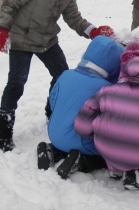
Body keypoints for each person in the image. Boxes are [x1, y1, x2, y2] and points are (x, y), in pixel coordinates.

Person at [0, 0, 114, 152]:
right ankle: (3, 135)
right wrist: (3, 29)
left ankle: (53, 113)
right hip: (22, 38)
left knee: (62, 76)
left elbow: (73, 17)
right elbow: (10, 2)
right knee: (16, 82)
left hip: (48, 40)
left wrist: (92, 31)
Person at [74, 42, 139, 190]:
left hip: (105, 149)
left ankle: (113, 168)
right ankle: (135, 170)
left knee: (109, 132)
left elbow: (82, 124)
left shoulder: (107, 91)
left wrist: (94, 132)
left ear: (123, 71)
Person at [38, 35, 125, 179]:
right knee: (107, 156)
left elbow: (53, 103)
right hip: (81, 141)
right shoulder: (106, 88)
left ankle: (52, 150)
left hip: (53, 133)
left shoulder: (65, 75)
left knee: (67, 138)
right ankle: (81, 161)